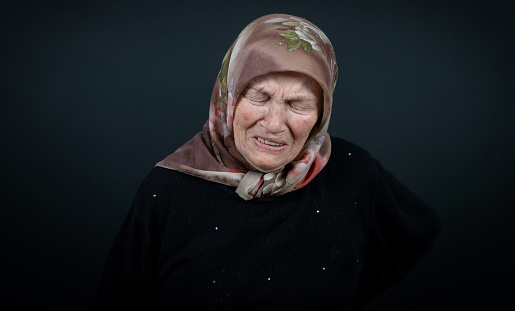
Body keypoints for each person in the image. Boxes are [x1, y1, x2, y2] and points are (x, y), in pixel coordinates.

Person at [95, 13, 440, 310]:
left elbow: (418, 232)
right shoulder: (169, 187)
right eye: (259, 96)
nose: (275, 123)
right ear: (229, 97)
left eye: (298, 104)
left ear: (322, 113)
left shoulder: (351, 170)